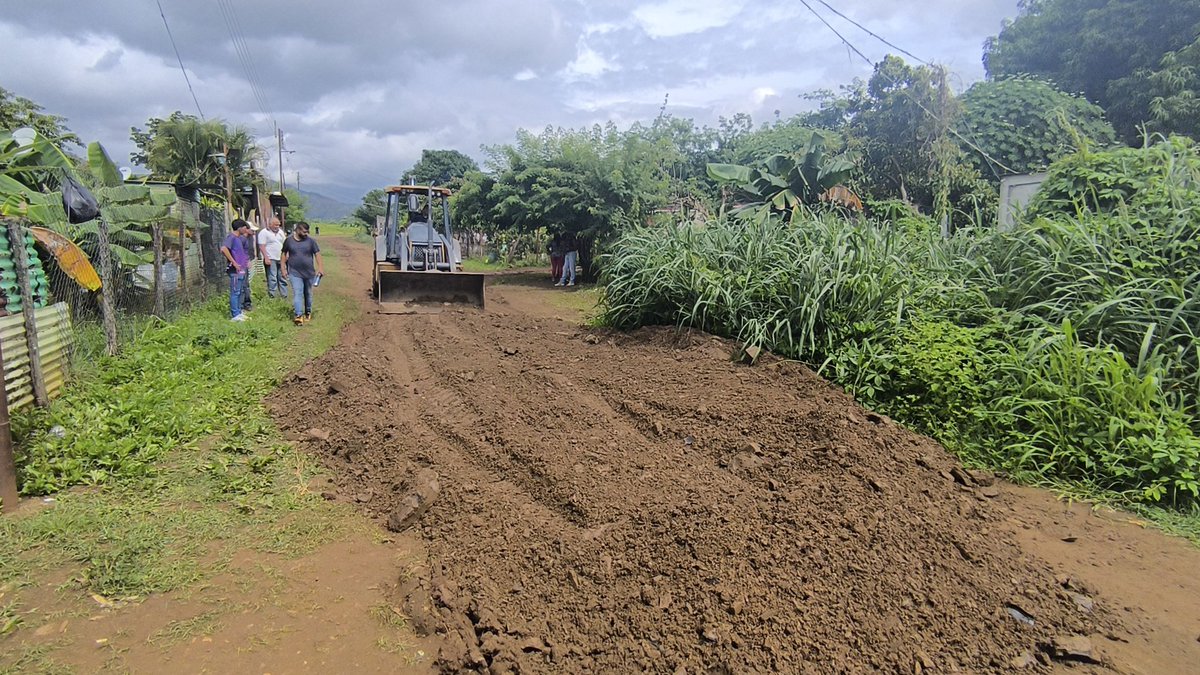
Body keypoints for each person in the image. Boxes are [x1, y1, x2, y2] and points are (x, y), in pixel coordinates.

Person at [280, 221, 324, 325]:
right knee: (297, 293)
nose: (306, 234)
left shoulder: (311, 241)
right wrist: (283, 268)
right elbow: (283, 254)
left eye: (307, 232)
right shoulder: (289, 241)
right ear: (298, 230)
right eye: (304, 232)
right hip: (294, 273)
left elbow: (317, 254)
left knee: (308, 293)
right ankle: (298, 315)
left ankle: (308, 311)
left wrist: (320, 267)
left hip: (309, 273)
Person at [220, 219, 252, 321]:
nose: (246, 230)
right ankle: (235, 314)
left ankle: (239, 312)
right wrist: (233, 262)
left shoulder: (239, 239)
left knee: (239, 291)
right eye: (245, 227)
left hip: (241, 269)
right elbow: (223, 249)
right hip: (235, 270)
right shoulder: (232, 237)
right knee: (235, 291)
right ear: (240, 228)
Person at [257, 217, 287, 298]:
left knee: (282, 276)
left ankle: (284, 295)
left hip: (280, 258)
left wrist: (286, 255)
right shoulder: (264, 232)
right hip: (270, 258)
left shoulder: (281, 232)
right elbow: (262, 246)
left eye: (278, 225)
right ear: (270, 224)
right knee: (272, 277)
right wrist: (266, 257)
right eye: (275, 225)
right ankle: (272, 295)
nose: (277, 226)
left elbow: (285, 243)